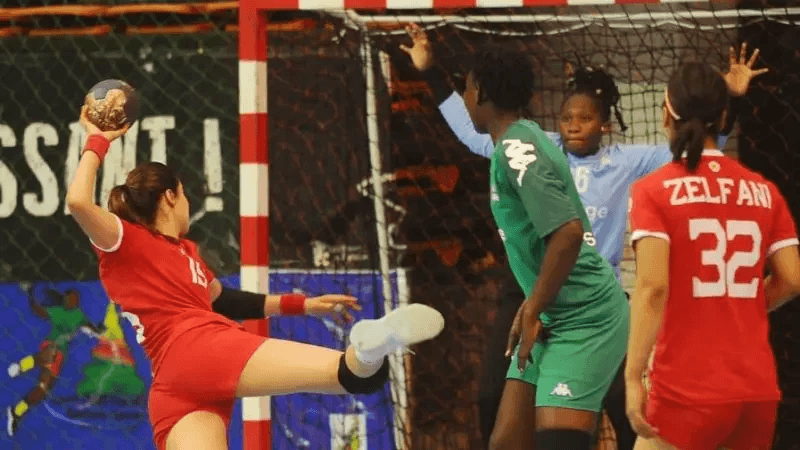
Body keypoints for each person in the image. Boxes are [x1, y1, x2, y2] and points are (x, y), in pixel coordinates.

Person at [400, 24, 766, 449]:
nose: (574, 125)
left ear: (605, 125)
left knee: (588, 428)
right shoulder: (526, 140)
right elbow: (467, 131)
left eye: (585, 118)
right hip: (540, 292)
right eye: (567, 117)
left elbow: (574, 230)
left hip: (583, 302)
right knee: (504, 436)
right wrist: (429, 72)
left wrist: (731, 102)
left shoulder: (567, 154)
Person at [66, 107, 445, 450]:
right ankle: (368, 346)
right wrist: (97, 139)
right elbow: (79, 202)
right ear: (169, 196)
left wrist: (304, 305)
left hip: (174, 384)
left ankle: (369, 348)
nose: (187, 204)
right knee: (353, 376)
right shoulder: (127, 242)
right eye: (184, 196)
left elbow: (225, 300)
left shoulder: (186, 254)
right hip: (202, 350)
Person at [458, 48, 630, 450]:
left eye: (465, 89)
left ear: (480, 92)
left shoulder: (518, 147)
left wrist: (532, 307)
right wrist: (536, 305)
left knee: (558, 443)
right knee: (506, 443)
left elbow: (568, 232)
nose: (466, 98)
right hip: (553, 310)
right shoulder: (517, 140)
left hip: (586, 315)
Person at [625, 61, 800, 450]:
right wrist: (739, 304)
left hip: (686, 389)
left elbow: (653, 287)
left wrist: (633, 377)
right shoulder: (764, 191)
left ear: (664, 114)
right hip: (755, 391)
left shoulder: (653, 190)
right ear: (724, 118)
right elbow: (791, 279)